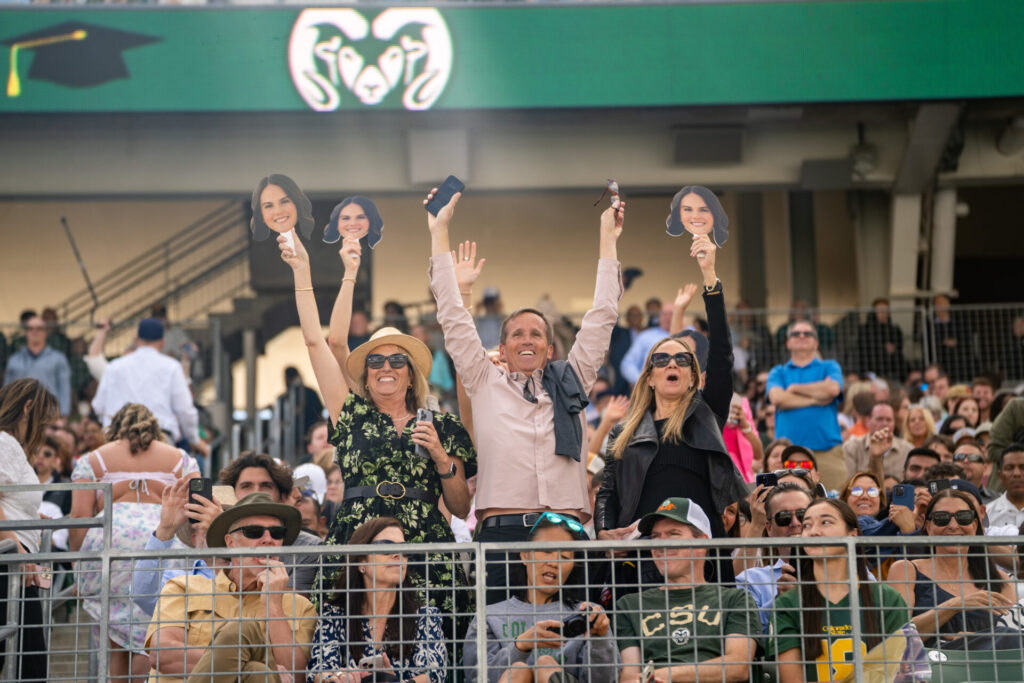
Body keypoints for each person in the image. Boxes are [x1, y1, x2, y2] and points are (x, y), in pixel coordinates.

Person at [426, 188, 622, 601]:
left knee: (578, 645)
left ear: (550, 349)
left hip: (566, 531)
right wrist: (439, 230)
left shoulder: (573, 379)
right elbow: (451, 314)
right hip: (503, 534)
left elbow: (602, 316)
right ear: (502, 348)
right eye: (517, 334)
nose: (527, 340)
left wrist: (609, 239)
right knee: (497, 648)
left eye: (537, 334)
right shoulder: (483, 379)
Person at [278, 228, 475, 619]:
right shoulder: (350, 413)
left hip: (424, 547)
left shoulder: (443, 425)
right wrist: (304, 272)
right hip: (358, 538)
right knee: (348, 637)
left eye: (397, 360)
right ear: (365, 373)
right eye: (376, 360)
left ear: (411, 372)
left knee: (432, 646)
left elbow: (460, 504)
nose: (386, 367)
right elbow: (319, 343)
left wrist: (440, 457)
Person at [595, 232, 745, 586]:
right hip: (644, 554)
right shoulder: (625, 432)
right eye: (661, 359)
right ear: (648, 377)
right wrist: (604, 532)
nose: (671, 364)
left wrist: (710, 277)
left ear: (694, 377)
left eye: (682, 359)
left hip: (701, 555)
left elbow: (722, 354)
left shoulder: (706, 414)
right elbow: (608, 491)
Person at [68, 402, 199, 679]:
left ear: (114, 430)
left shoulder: (93, 460)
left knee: (114, 634)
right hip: (163, 539)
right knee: (153, 627)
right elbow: (195, 515)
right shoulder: (181, 459)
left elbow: (79, 518)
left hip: (111, 541)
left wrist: (78, 571)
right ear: (155, 429)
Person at [146, 492, 316, 682]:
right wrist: (249, 665)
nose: (268, 539)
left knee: (258, 670)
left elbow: (296, 677)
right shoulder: (182, 587)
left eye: (277, 533)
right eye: (254, 532)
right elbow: (164, 656)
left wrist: (274, 605)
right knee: (255, 664)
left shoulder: (300, 606)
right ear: (230, 542)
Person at [614, 497, 759, 683]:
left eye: (673, 534)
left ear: (702, 543)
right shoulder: (629, 605)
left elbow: (738, 667)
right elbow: (629, 675)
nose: (661, 544)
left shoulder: (735, 599)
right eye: (656, 536)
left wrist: (662, 675)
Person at [463, 512, 617, 683]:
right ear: (524, 555)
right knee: (518, 671)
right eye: (546, 550)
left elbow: (607, 680)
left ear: (572, 567)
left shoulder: (588, 615)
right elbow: (475, 678)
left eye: (564, 557)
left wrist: (599, 639)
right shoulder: (489, 616)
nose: (553, 562)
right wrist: (520, 645)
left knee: (545, 665)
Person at [771, 499, 909, 683]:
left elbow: (903, 673)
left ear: (852, 534)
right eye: (807, 525)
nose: (814, 532)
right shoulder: (787, 604)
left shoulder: (887, 599)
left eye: (825, 522)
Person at [307, 517, 446, 683]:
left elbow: (434, 674)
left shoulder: (425, 616)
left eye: (404, 549)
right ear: (361, 561)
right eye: (386, 547)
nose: (397, 555)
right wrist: (337, 678)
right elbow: (319, 670)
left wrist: (391, 681)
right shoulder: (334, 615)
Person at [886, 489, 1018, 646]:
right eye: (942, 518)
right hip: (931, 665)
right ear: (928, 527)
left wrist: (976, 639)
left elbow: (1013, 637)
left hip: (986, 665)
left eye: (963, 518)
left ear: (975, 525)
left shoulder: (999, 580)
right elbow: (897, 636)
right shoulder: (906, 570)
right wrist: (954, 605)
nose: (954, 525)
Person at [0, 379, 58, 681]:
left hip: (16, 564)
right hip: (11, 565)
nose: (43, 429)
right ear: (27, 408)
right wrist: (18, 550)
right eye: (43, 421)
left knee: (27, 660)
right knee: (30, 665)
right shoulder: (4, 443)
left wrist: (33, 518)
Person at [91, 318, 200, 449]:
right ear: (162, 342)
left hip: (118, 440)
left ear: (137, 340)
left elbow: (98, 406)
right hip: (159, 440)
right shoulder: (171, 367)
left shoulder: (114, 367)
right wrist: (194, 439)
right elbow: (185, 409)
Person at [766, 320, 845, 491]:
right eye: (796, 334)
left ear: (816, 342)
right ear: (788, 343)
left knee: (837, 504)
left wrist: (794, 389)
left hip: (828, 453)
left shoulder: (830, 366)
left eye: (807, 333)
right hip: (788, 456)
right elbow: (778, 398)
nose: (801, 336)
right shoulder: (778, 372)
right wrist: (816, 399)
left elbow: (833, 389)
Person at [735, 482, 815, 630]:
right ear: (769, 528)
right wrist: (779, 601)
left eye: (802, 515)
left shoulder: (844, 571)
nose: (795, 523)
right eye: (783, 517)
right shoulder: (751, 580)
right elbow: (748, 634)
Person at [3, 314, 71, 416]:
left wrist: (63, 414)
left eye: (39, 328)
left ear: (46, 332)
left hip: (48, 415)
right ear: (26, 332)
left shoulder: (58, 359)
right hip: (19, 415)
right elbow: (7, 390)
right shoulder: (14, 359)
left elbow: (64, 388)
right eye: (30, 328)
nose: (35, 332)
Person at [844, 401, 913, 482]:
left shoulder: (908, 450)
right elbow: (848, 483)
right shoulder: (851, 447)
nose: (884, 423)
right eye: (879, 419)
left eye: (889, 420)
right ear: (868, 421)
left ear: (894, 423)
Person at [619, 303, 673, 387]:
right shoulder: (646, 336)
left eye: (672, 314)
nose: (668, 317)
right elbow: (627, 364)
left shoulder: (690, 335)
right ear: (659, 317)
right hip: (650, 387)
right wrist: (641, 381)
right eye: (665, 314)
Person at [857, 298, 907, 380]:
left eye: (886, 310)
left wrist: (894, 348)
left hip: (891, 369)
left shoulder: (894, 330)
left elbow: (899, 346)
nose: (884, 313)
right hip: (872, 368)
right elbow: (864, 348)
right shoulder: (865, 330)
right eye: (881, 310)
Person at [985, 443, 1024, 529]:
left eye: (1023, 467)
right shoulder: (987, 514)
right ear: (1000, 475)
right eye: (1009, 468)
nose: (1016, 474)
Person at [952, 439, 998, 503]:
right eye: (959, 457)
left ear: (984, 468)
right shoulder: (941, 497)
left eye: (973, 457)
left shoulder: (997, 500)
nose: (966, 461)